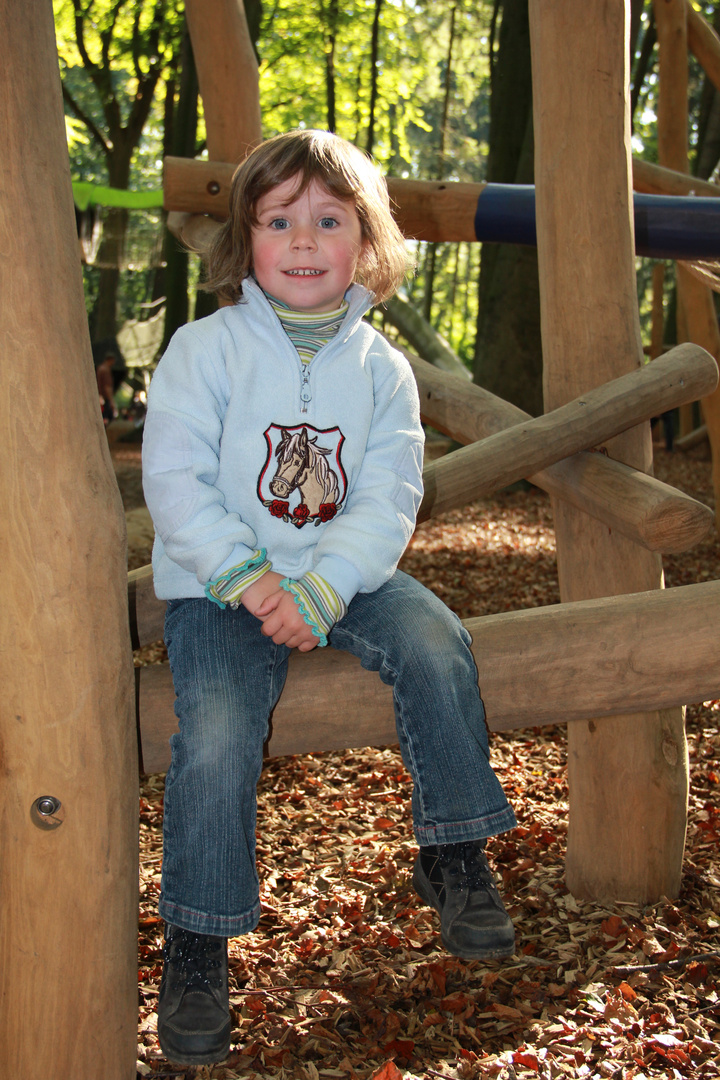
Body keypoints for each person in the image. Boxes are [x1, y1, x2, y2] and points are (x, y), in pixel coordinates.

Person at [142, 129, 517, 1067]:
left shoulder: (383, 371)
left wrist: (321, 588)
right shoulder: (205, 349)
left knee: (437, 644)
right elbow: (178, 479)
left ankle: (453, 849)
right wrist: (253, 581)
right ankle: (197, 937)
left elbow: (390, 495)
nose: (303, 241)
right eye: (280, 221)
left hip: (345, 576)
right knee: (221, 728)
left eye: (328, 220)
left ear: (365, 242)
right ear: (247, 239)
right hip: (220, 586)